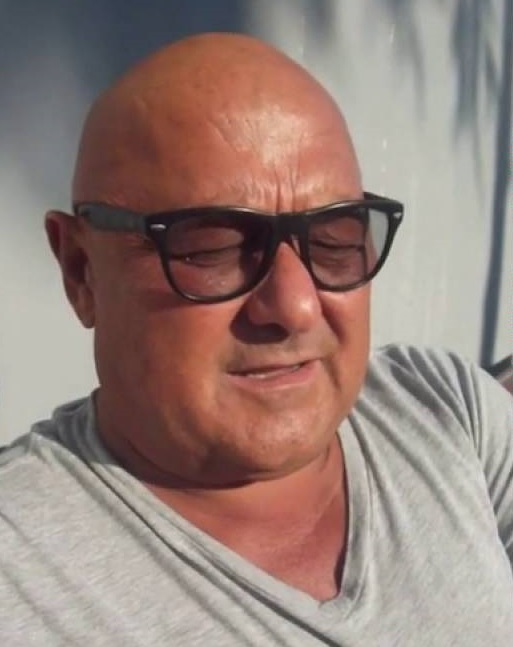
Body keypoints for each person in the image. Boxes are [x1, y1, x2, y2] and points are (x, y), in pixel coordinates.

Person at [1, 33, 512, 646]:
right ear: (81, 271)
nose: (295, 306)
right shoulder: (21, 574)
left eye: (334, 239)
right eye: (211, 247)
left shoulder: (442, 408)